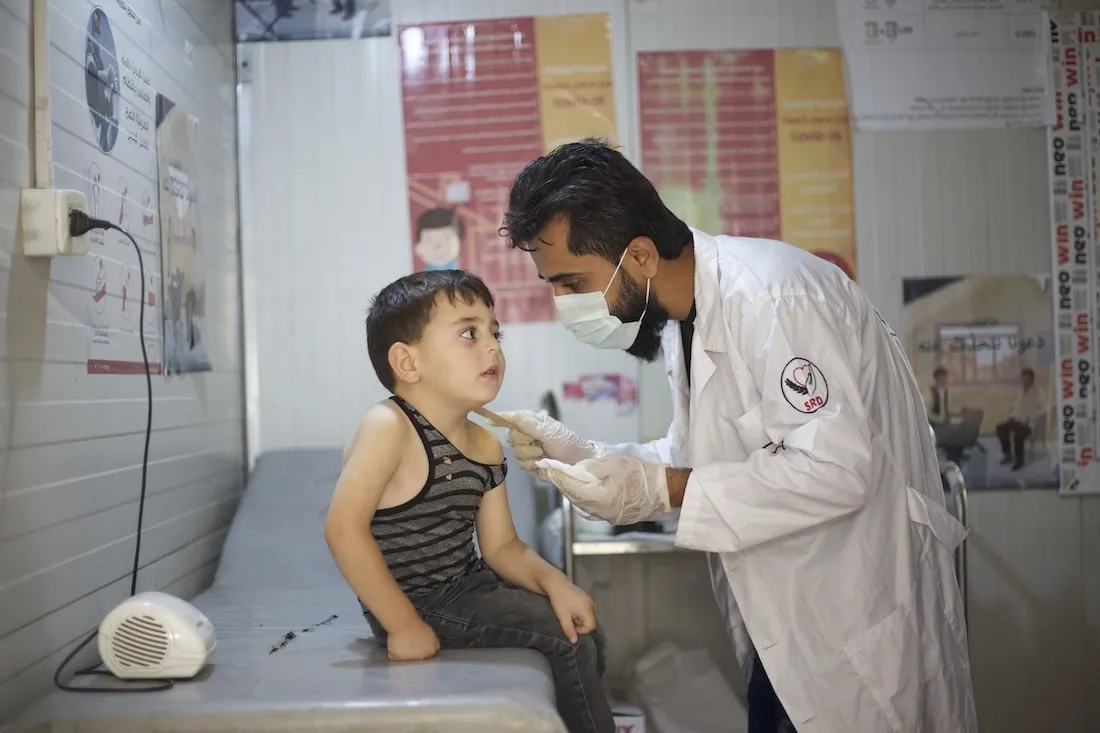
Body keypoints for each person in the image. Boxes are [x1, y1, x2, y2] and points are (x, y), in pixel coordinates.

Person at [493, 140, 978, 733]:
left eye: (571, 283)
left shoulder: (773, 297)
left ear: (640, 256)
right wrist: (591, 456)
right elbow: (699, 457)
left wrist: (659, 488)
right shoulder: (685, 318)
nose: (563, 303)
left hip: (855, 621)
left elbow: (836, 468)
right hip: (788, 628)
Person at [324, 270, 615, 733]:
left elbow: (502, 549)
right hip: (417, 602)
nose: (493, 346)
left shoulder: (484, 444)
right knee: (567, 637)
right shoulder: (388, 428)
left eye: (495, 332)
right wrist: (402, 625)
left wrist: (557, 583)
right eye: (468, 333)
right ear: (407, 362)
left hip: (469, 588)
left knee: (585, 623)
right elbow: (343, 529)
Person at [995, 367, 1047, 470]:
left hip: (1029, 423)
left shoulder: (1039, 392)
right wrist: (1012, 416)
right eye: (1022, 378)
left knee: (1018, 435)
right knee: (1000, 428)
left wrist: (1031, 418)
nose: (1023, 381)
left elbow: (1043, 409)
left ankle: (1019, 460)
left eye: (1025, 378)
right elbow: (1017, 406)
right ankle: (1008, 455)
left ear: (1031, 379)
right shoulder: (1021, 390)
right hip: (1017, 419)